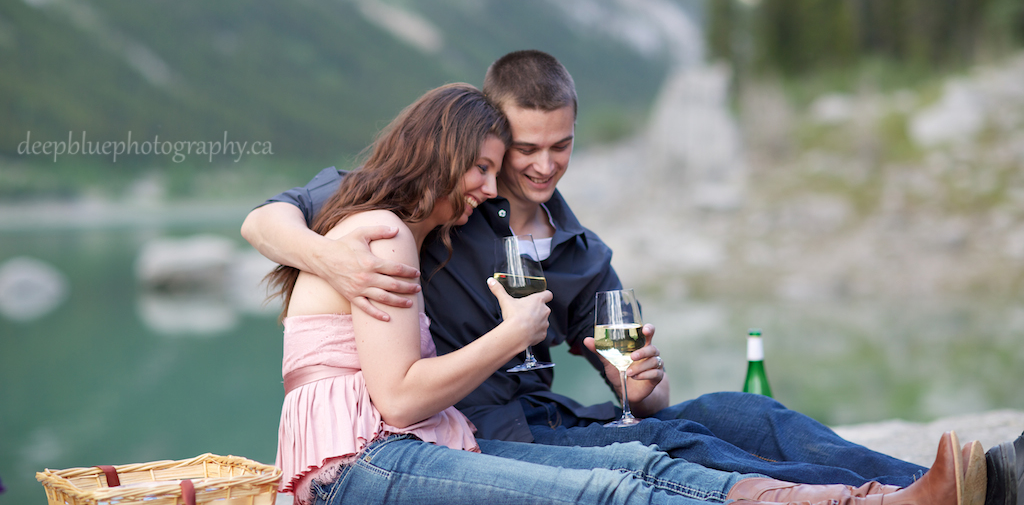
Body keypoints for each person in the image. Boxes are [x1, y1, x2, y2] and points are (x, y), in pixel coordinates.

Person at [244, 52, 1020, 504]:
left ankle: (954, 482)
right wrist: (330, 259)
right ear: (486, 138)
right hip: (477, 429)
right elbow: (267, 219)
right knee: (675, 448)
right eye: (520, 150)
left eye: (563, 146)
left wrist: (642, 380)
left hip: (549, 416)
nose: (541, 166)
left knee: (736, 411)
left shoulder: (582, 250)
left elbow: (637, 385)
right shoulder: (435, 209)